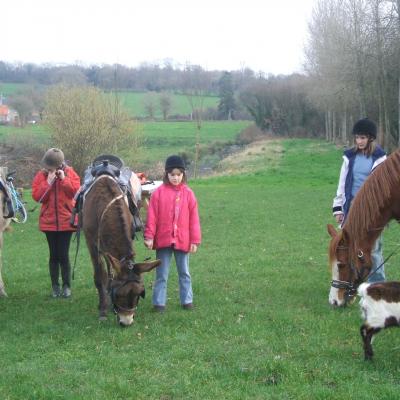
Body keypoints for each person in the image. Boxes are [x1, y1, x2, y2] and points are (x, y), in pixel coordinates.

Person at [144, 155, 201, 312]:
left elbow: (194, 219)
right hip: (163, 241)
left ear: (183, 174)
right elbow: (152, 218)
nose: (175, 178)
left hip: (183, 241)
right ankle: (159, 303)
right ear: (166, 174)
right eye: (172, 174)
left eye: (178, 174)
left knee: (184, 273)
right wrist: (149, 236)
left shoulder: (189, 194)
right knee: (161, 274)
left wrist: (194, 240)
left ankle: (187, 301)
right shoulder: (158, 194)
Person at [332, 118, 387, 282]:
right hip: (351, 208)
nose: (359, 141)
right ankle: (352, 281)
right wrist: (338, 208)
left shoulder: (381, 158)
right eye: (357, 137)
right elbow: (342, 184)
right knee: (349, 246)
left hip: (372, 210)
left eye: (362, 137)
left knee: (374, 248)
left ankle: (377, 283)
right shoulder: (349, 157)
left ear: (370, 138)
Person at [32, 148, 81, 298]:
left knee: (63, 255)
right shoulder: (41, 175)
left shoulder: (70, 173)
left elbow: (75, 192)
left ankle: (66, 286)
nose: (47, 168)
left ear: (59, 165)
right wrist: (47, 182)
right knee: (54, 255)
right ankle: (55, 286)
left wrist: (64, 179)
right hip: (49, 223)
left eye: (50, 166)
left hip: (67, 221)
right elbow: (37, 197)